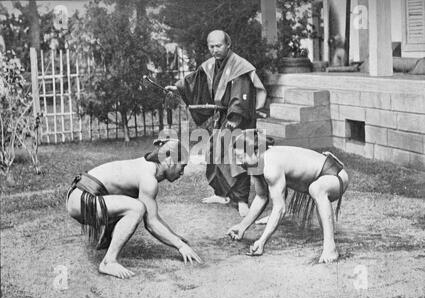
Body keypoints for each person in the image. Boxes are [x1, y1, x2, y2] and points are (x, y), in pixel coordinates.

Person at [66, 139, 202, 279]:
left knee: (128, 203)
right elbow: (151, 223)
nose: (182, 173)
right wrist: (180, 246)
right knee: (136, 208)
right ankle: (108, 262)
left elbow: (153, 215)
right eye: (182, 167)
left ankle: (106, 241)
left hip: (79, 194)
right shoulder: (148, 179)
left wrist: (175, 237)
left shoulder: (146, 166)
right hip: (82, 200)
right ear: (169, 161)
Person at [166, 30, 267, 217]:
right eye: (211, 46)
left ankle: (242, 200)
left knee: (239, 157)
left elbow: (240, 97)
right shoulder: (211, 65)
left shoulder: (240, 67)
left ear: (228, 45)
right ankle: (221, 193)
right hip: (222, 118)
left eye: (218, 46)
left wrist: (233, 120)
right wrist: (178, 88)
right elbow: (196, 82)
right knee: (214, 153)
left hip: (239, 119)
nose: (214, 50)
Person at [227, 129, 349, 263]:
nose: (238, 163)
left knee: (316, 189)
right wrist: (242, 226)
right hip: (320, 178)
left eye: (240, 157)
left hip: (335, 175)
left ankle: (330, 248)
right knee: (314, 188)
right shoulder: (255, 162)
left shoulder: (270, 165)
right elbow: (261, 197)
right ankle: (329, 244)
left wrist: (262, 241)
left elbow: (280, 209)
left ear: (255, 151)